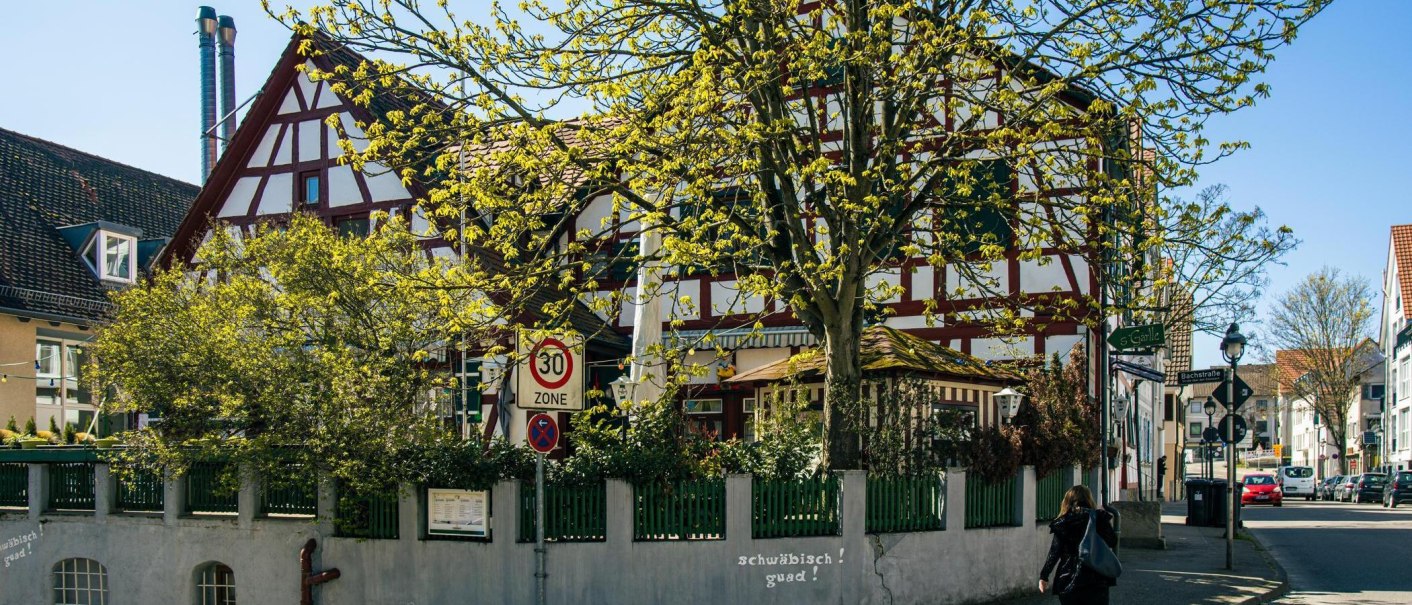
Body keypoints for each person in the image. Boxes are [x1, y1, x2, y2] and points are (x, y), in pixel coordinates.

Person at [1039, 485, 1118, 604]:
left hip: (1068, 577)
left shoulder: (1064, 522)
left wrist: (1044, 576)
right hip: (1096, 577)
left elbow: (1055, 552)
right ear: (1089, 499)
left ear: (1067, 501)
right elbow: (1112, 541)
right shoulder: (1099, 518)